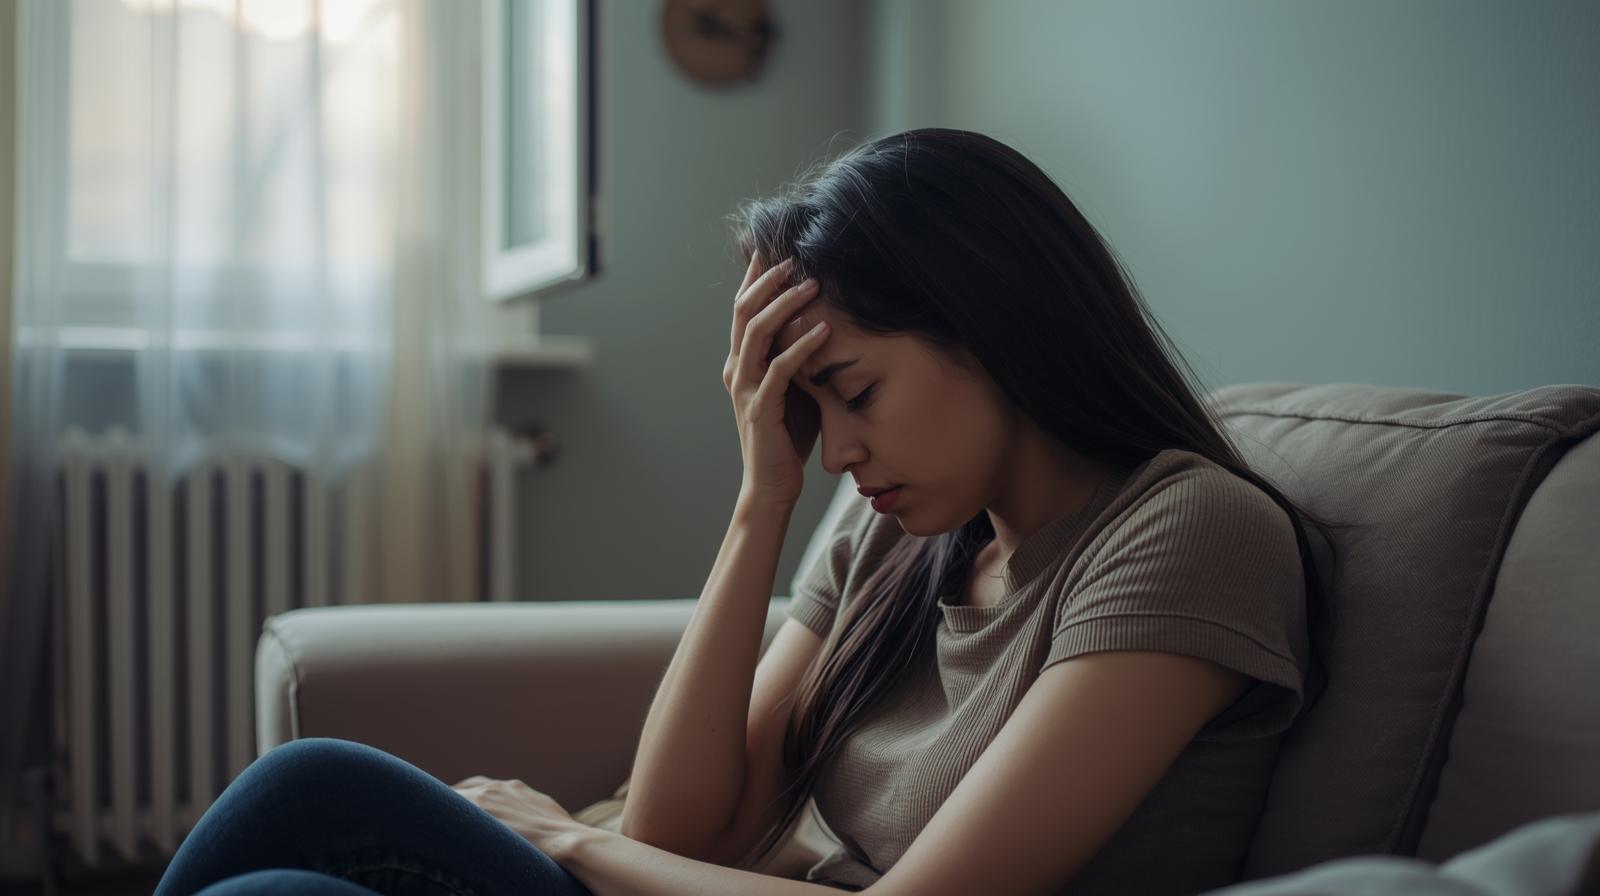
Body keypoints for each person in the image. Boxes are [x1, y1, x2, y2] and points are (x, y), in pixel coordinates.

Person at [153, 127, 1349, 895]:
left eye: (857, 392)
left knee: (307, 791)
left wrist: (568, 839)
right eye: (810, 412)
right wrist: (757, 503)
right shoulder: (907, 533)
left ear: (993, 330)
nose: (838, 450)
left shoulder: (1186, 536)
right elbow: (678, 823)